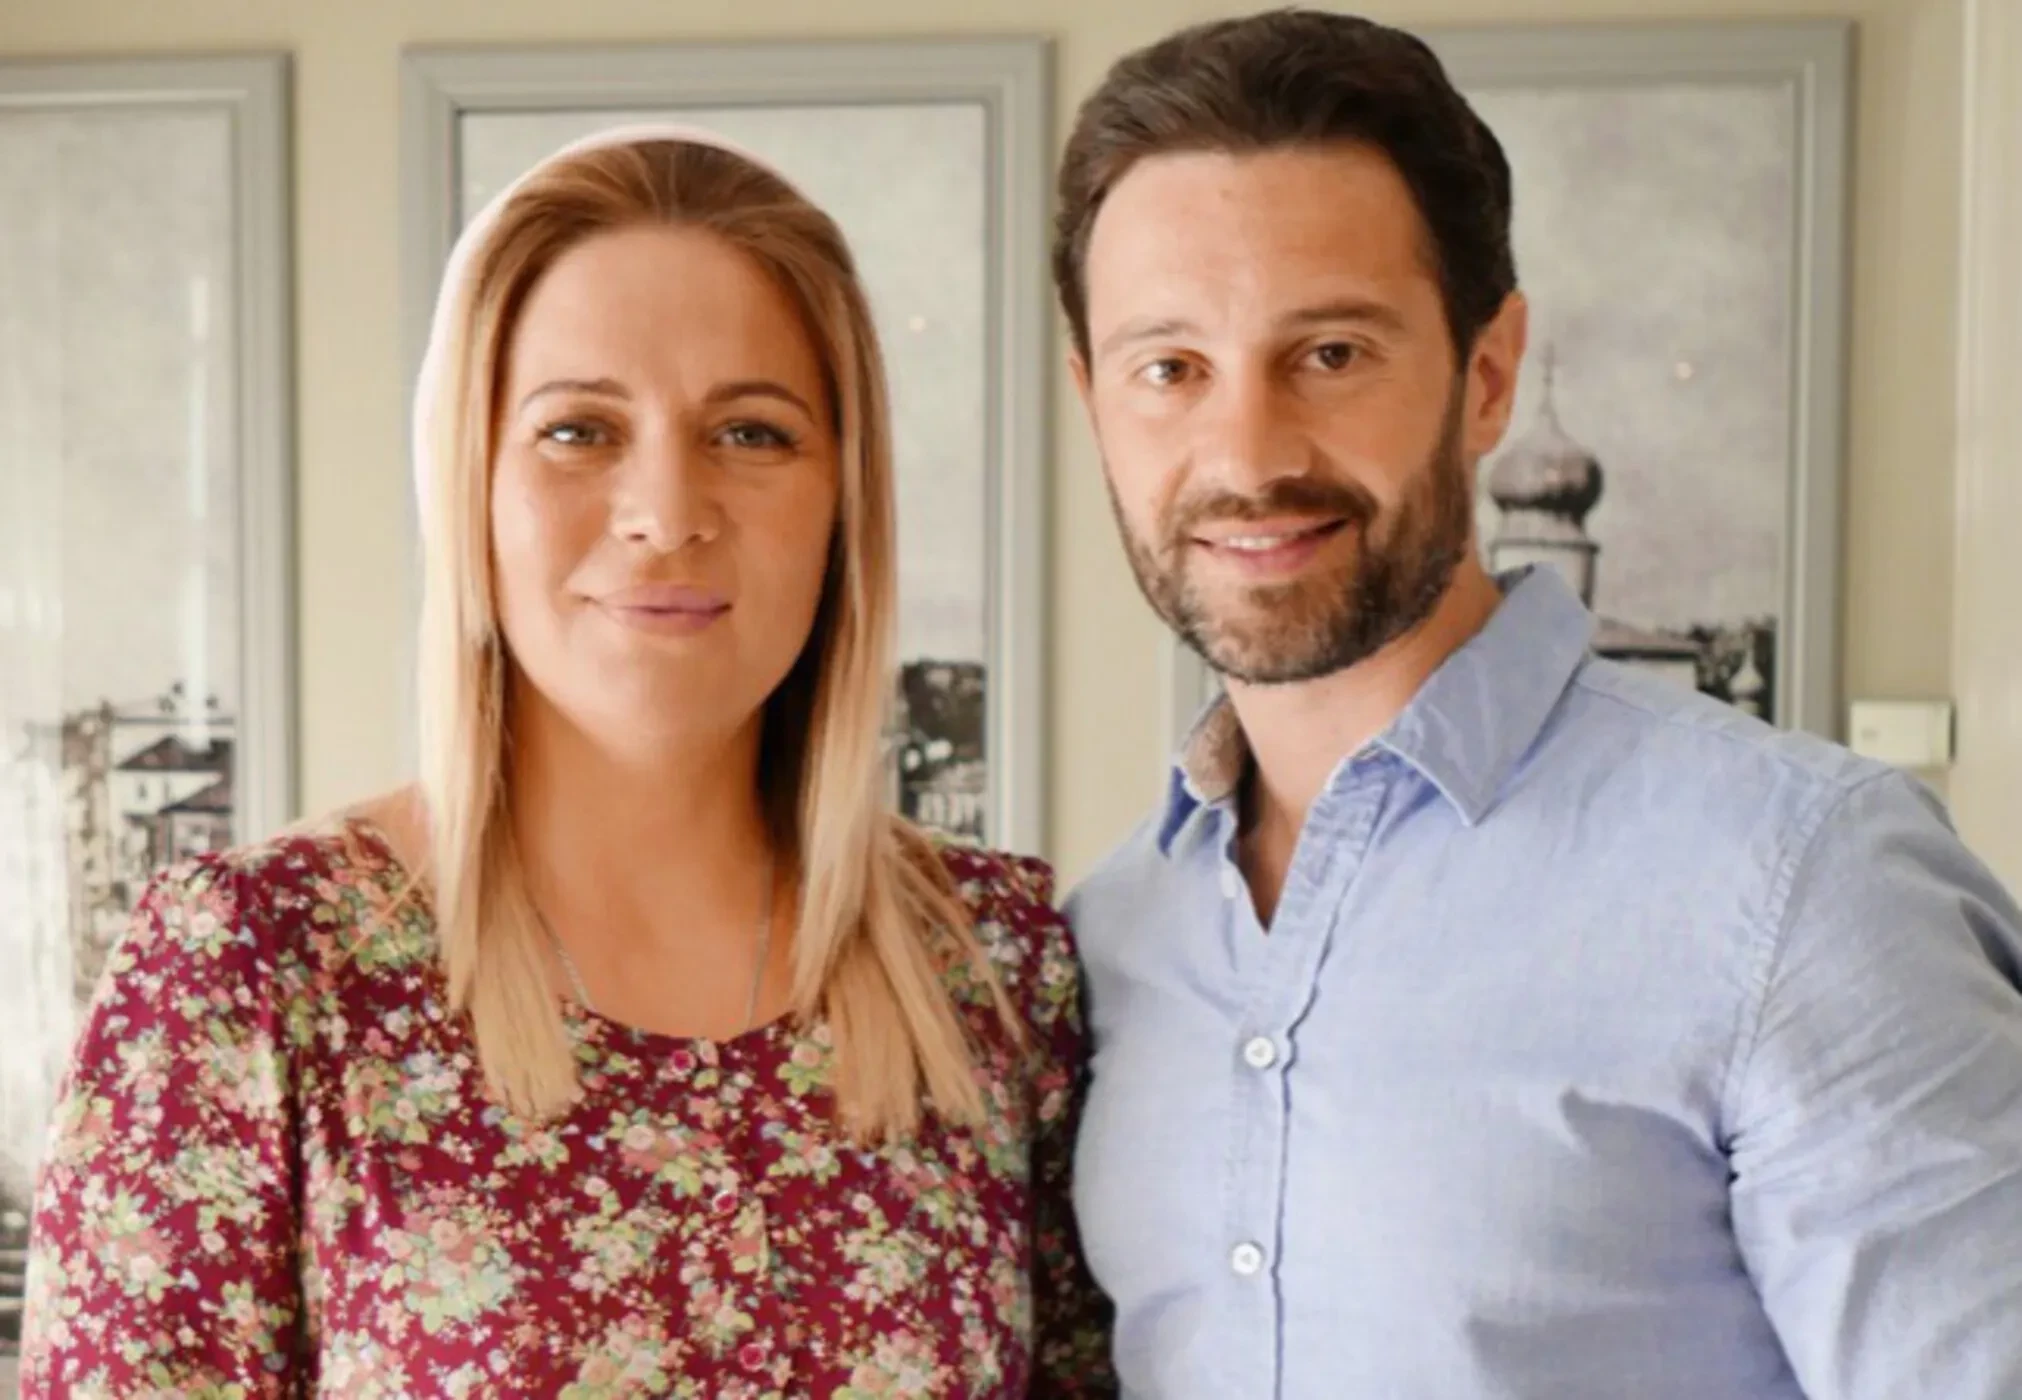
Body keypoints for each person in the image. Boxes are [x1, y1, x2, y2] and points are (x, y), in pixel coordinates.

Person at [22, 124, 1113, 1396]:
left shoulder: (993, 964)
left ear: (843, 499)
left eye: (751, 432)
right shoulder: (255, 967)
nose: (667, 511)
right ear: (468, 487)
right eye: (579, 429)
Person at [1053, 11, 2022, 1399]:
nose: (1247, 452)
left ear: (1487, 375)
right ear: (1094, 399)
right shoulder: (1107, 938)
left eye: (1331, 352)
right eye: (1169, 368)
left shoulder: (1805, 882)